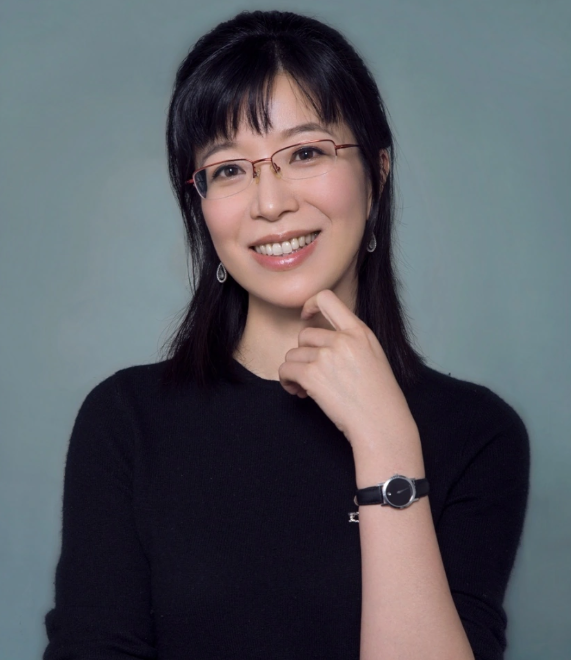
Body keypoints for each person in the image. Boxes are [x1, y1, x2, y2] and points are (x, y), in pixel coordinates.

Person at [43, 10, 529, 660]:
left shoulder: (478, 434)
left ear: (377, 172)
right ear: (201, 206)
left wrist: (386, 442)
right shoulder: (126, 422)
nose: (270, 203)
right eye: (228, 169)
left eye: (305, 153)